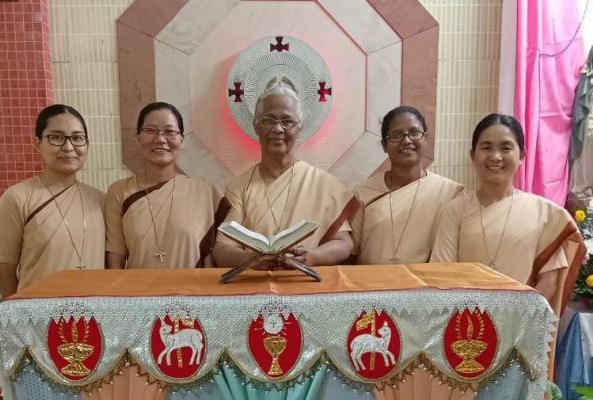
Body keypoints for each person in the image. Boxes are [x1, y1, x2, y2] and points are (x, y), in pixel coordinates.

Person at [431, 113, 586, 314]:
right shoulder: (456, 210)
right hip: (466, 323)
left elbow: (549, 281)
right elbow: (442, 273)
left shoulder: (546, 215)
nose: (496, 157)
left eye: (506, 148)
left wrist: (520, 321)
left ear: (521, 155)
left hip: (523, 322)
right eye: (486, 148)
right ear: (473, 155)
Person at [212, 81, 358, 268]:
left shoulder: (324, 184)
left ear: (299, 128)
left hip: (306, 283)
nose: (278, 129)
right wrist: (250, 260)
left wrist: (314, 256)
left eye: (287, 122)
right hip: (255, 283)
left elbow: (344, 243)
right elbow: (222, 248)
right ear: (256, 126)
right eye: (268, 121)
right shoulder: (239, 188)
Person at [0, 104, 105, 299]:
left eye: (77, 138)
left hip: (93, 312)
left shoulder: (100, 200)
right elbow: (4, 265)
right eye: (57, 138)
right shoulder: (18, 198)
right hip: (37, 312)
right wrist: (18, 308)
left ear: (87, 144)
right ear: (38, 143)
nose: (68, 147)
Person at [104, 102, 228, 269]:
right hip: (138, 286)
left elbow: (222, 252)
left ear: (182, 140)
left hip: (193, 286)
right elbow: (115, 261)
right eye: (150, 131)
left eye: (169, 132)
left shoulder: (206, 194)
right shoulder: (119, 192)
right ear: (138, 138)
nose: (160, 139)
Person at [351, 106, 463, 264]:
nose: (406, 141)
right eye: (396, 135)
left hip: (425, 279)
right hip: (371, 278)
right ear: (384, 145)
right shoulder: (363, 193)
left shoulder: (450, 192)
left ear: (426, 139)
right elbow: (350, 253)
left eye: (414, 133)